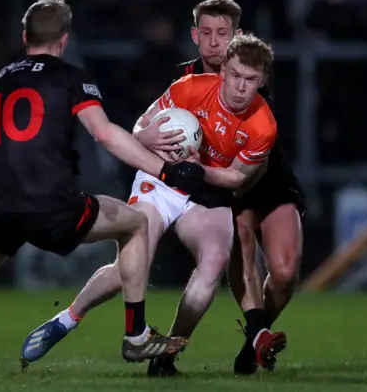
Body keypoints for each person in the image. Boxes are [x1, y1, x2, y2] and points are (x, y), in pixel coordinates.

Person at [0, 0, 205, 380]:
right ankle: (135, 333)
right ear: (64, 40)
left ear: (25, 36)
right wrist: (165, 170)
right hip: (50, 202)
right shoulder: (72, 78)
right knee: (135, 224)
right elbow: (105, 135)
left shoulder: (1, 80)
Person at [20, 33, 282, 371]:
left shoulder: (264, 125)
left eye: (250, 80)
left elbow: (237, 178)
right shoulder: (189, 88)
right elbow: (140, 126)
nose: (241, 87)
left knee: (214, 262)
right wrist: (147, 136)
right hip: (160, 178)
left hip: (206, 191)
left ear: (262, 82)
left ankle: (165, 355)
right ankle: (67, 318)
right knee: (131, 264)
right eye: (235, 75)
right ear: (223, 72)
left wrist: (197, 170)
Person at [145, 0, 305, 376]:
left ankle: (255, 338)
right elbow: (155, 126)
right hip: (218, 186)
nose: (215, 42)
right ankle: (253, 334)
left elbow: (253, 166)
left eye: (224, 34)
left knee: (285, 271)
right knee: (239, 246)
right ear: (195, 36)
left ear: (237, 38)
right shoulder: (185, 81)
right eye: (208, 33)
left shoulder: (248, 78)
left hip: (261, 179)